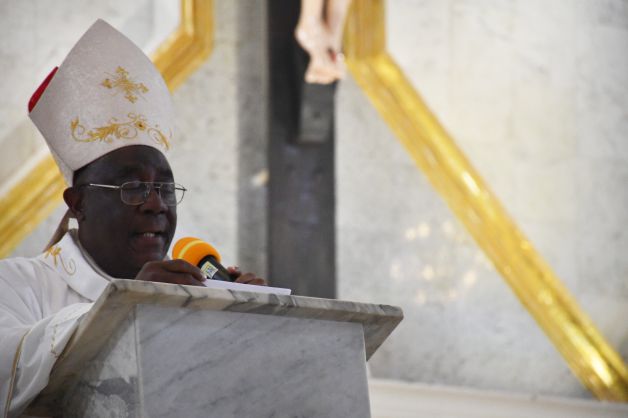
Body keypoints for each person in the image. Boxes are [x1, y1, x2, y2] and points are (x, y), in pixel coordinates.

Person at [0, 20, 264, 416]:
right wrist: (126, 305)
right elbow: (9, 367)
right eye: (133, 187)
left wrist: (257, 320)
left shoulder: (196, 295)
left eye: (165, 188)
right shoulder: (15, 284)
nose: (156, 204)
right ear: (78, 203)